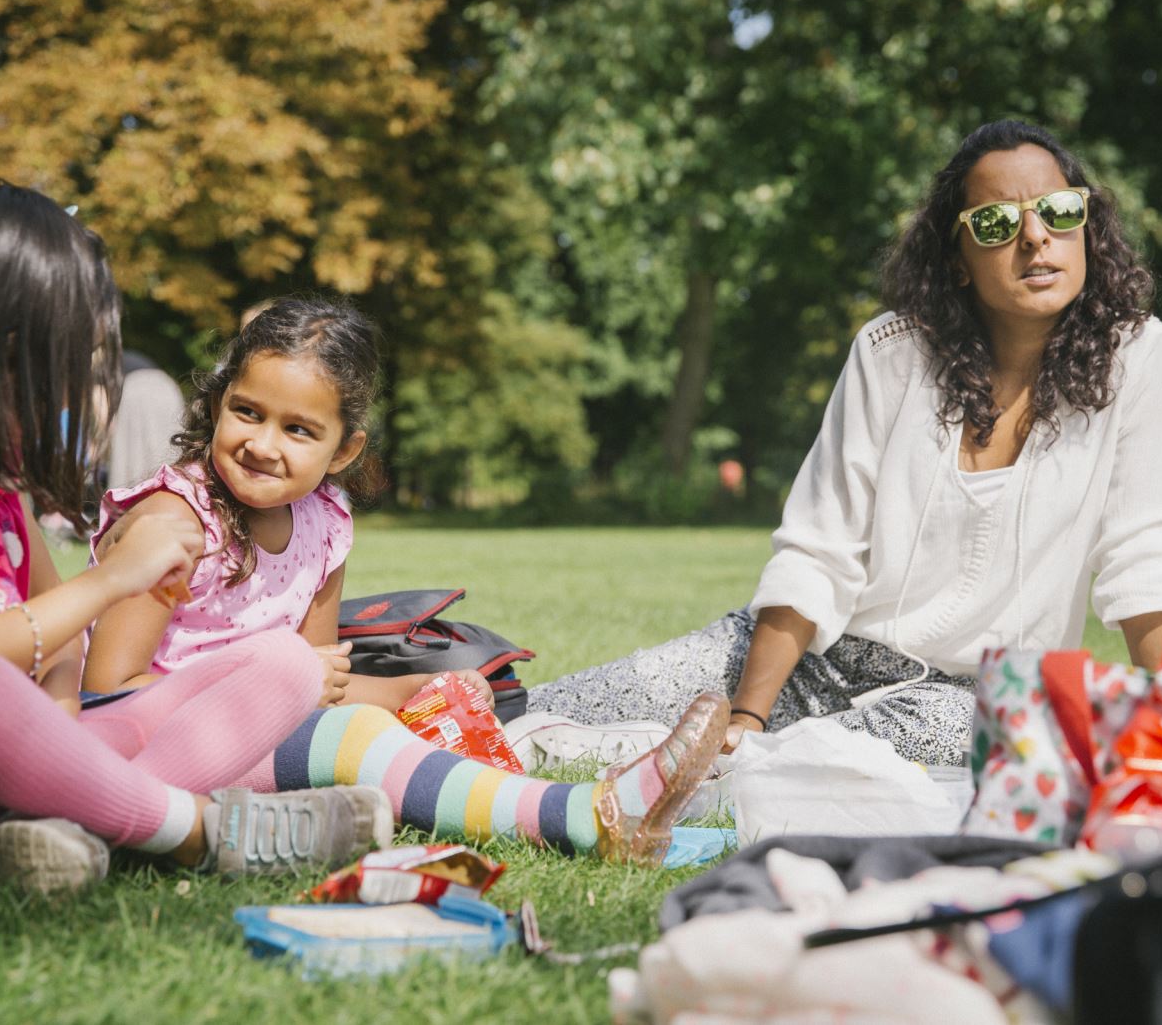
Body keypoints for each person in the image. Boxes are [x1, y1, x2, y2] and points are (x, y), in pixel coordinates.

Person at [0, 180, 390, 893]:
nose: (76, 388)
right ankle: (195, 830)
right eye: (72, 360)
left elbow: (60, 637)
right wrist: (115, 577)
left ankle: (55, 828)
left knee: (286, 662)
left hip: (1, 769)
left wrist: (62, 729)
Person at [526, 119, 1162, 768]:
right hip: (817, 657)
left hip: (969, 702)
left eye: (1057, 210)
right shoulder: (891, 355)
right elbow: (818, 550)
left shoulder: (1136, 358)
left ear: (1086, 223)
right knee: (573, 706)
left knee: (805, 765)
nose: (1034, 237)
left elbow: (1144, 560)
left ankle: (712, 771)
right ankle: (439, 724)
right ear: (958, 260)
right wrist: (746, 717)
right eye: (995, 224)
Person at [83, 296, 729, 863]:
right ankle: (588, 816)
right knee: (356, 739)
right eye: (246, 411)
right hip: (160, 749)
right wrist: (252, 687)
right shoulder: (175, 520)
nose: (262, 442)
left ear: (344, 450)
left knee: (377, 728)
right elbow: (106, 691)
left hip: (258, 737)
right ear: (218, 402)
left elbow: (318, 683)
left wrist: (411, 688)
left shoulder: (324, 523)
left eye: (298, 429)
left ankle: (575, 808)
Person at [105, 349, 185, 490]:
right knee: (166, 452)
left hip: (138, 391)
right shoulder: (117, 358)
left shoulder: (95, 367)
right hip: (167, 388)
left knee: (130, 461)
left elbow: (102, 414)